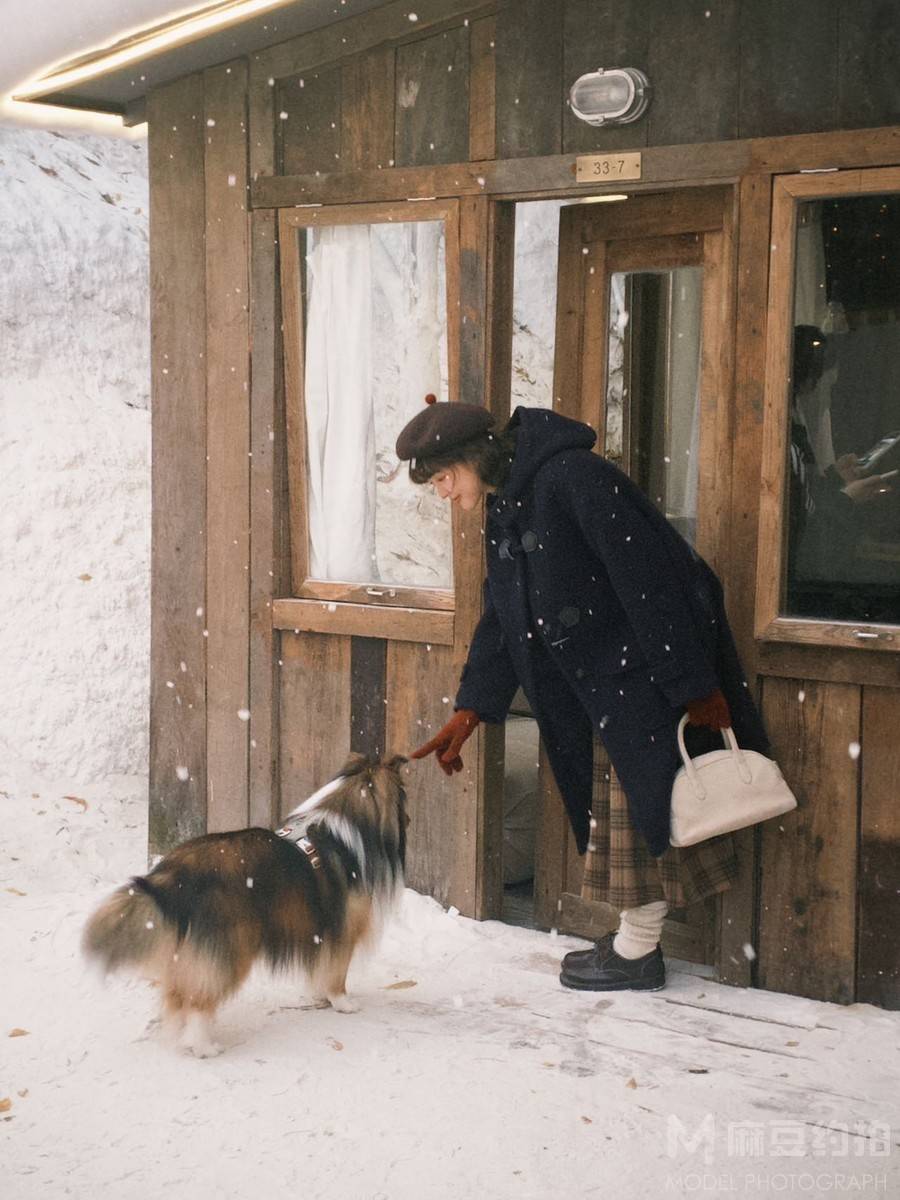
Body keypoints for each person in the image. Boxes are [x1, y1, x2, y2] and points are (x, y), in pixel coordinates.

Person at [395, 396, 770, 992]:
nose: (443, 493)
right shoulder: (507, 506)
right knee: (618, 819)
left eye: (443, 477)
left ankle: (639, 953)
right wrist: (471, 708)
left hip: (639, 680)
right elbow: (502, 614)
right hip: (594, 690)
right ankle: (633, 942)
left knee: (640, 815)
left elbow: (657, 581)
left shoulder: (575, 478)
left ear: (475, 458)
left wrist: (696, 687)